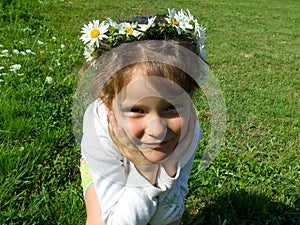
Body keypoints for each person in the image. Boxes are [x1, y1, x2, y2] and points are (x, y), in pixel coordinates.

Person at [77, 8, 209, 225]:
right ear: (108, 103)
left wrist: (169, 166)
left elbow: (168, 216)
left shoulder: (188, 131)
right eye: (137, 110)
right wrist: (146, 170)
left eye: (171, 107)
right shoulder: (98, 128)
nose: (157, 129)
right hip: (111, 161)